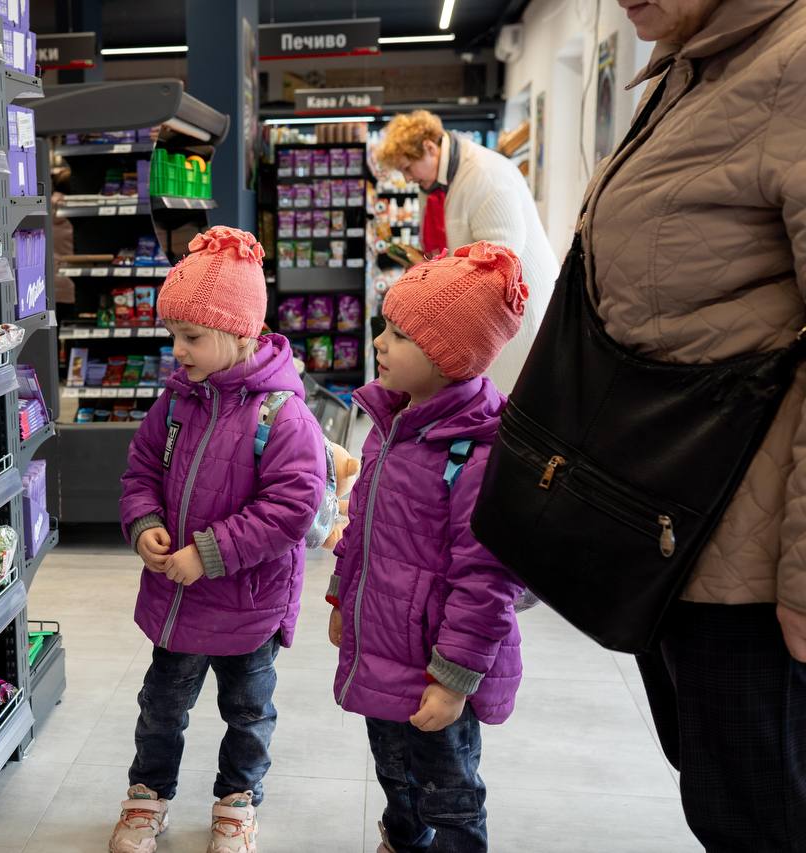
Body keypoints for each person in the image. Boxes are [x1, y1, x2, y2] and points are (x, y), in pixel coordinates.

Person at [579, 0, 806, 847]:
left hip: (750, 568)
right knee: (719, 797)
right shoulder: (691, 63)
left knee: (760, 816)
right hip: (674, 534)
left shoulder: (793, 65)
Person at [112, 226, 326, 853]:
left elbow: (290, 509)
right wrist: (144, 523)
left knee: (248, 711)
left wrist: (208, 553)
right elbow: (140, 471)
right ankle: (148, 796)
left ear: (239, 334)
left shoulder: (282, 415)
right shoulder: (176, 402)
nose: (177, 350)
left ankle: (237, 800)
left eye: (191, 336)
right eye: (173, 335)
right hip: (177, 601)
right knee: (161, 707)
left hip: (248, 604)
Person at [327, 243, 526, 853]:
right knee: (394, 772)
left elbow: (487, 584)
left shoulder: (477, 455)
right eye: (384, 327)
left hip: (440, 665)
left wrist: (453, 680)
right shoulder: (391, 426)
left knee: (450, 789)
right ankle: (404, 838)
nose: (379, 343)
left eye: (400, 335)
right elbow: (361, 526)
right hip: (383, 646)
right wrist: (340, 597)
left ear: (448, 358)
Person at [377, 111, 558, 393]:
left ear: (430, 147)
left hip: (517, 311)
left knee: (508, 394)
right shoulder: (434, 181)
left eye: (408, 168)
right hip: (484, 311)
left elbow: (500, 261)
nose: (407, 178)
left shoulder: (485, 175)